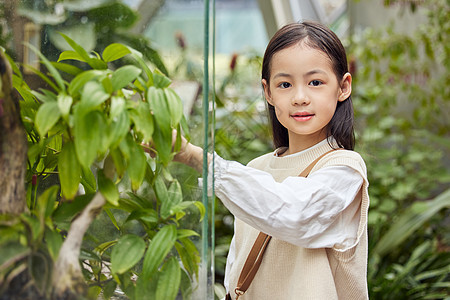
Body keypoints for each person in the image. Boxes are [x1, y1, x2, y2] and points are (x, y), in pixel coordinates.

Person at [174, 21, 369, 299]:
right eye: (285, 84)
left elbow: (293, 214)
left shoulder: (345, 170)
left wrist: (197, 158)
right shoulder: (257, 169)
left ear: (343, 86)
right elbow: (236, 266)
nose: (300, 97)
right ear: (268, 92)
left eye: (315, 82)